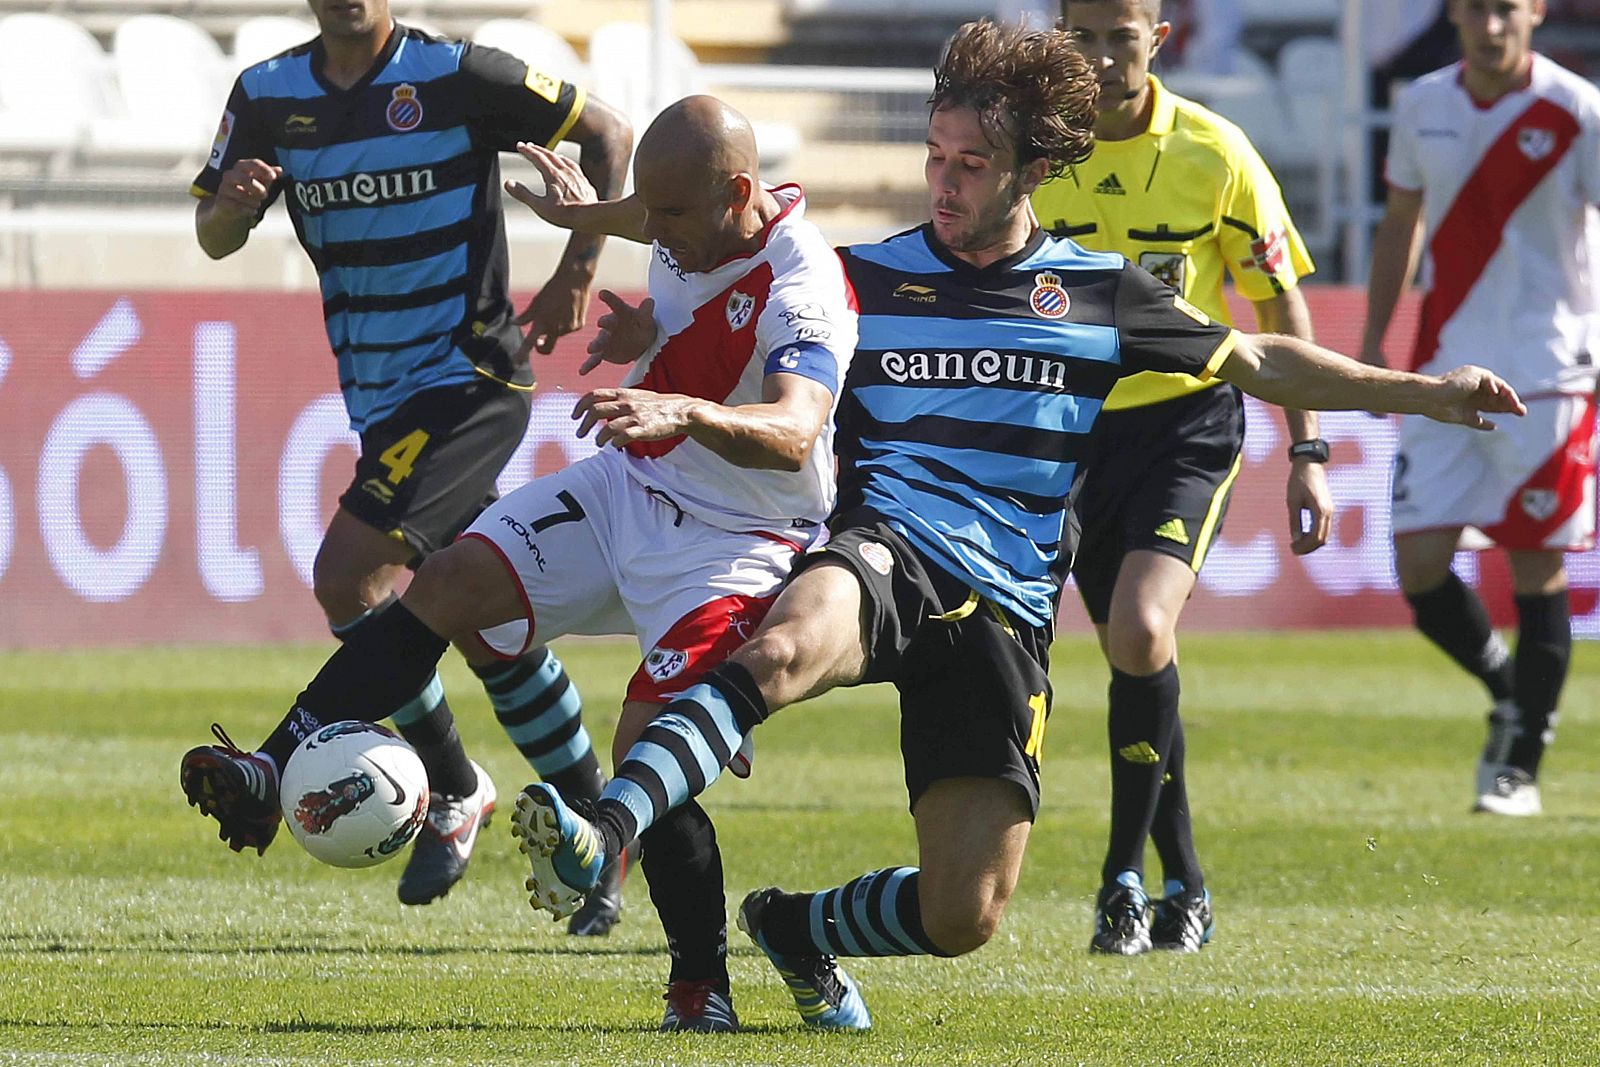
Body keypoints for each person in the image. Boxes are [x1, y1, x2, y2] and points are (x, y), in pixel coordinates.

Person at [508, 19, 1524, 1030]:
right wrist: (633, 279)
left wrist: (1423, 392)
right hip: (886, 548)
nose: (943, 184)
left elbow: (1264, 363)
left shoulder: (1098, 292)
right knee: (783, 644)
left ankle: (794, 925)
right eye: (934, 158)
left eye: (971, 164)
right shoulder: (859, 277)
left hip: (1002, 604)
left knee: (963, 913)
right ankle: (606, 829)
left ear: (1031, 168)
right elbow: (722, 234)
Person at [192, 94, 858, 1033]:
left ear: (737, 194)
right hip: (632, 483)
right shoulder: (684, 209)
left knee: (646, 751)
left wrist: (681, 406)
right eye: (650, 210)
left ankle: (700, 990)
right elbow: (635, 217)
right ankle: (270, 765)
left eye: (670, 217)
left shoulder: (802, 283)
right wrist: (582, 226)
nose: (654, 232)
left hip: (738, 537)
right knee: (451, 582)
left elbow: (795, 432)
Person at [178, 0, 638, 933]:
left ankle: (326, 767)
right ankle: (600, 834)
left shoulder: (460, 75)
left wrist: (576, 270)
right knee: (481, 616)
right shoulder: (265, 95)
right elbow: (214, 235)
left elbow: (609, 134)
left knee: (347, 571)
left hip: (473, 378)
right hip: (381, 401)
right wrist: (228, 213)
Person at [1029, 0, 1332, 955]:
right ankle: (1186, 881)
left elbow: (1278, 299)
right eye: (1084, 37)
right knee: (1135, 654)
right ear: (1059, 40)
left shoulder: (1215, 151)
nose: (1105, 58)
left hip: (1188, 423)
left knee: (1141, 625)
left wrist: (1309, 453)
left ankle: (1121, 877)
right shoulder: (1036, 155)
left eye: (1123, 38)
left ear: (1156, 41)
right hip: (1074, 432)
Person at [1359, 0, 1600, 817]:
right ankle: (1510, 688)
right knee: (1419, 564)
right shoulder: (1423, 101)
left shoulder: (1577, 108)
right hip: (1446, 370)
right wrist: (1371, 335)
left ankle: (1519, 765)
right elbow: (1402, 220)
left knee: (1535, 562)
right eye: (1476, 10)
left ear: (1533, 12)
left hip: (1550, 370)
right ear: (1454, 15)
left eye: (1506, 9)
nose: (1491, 26)